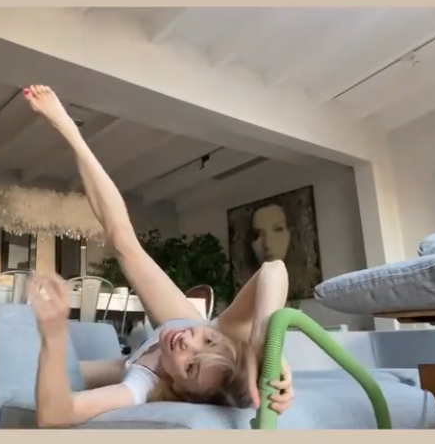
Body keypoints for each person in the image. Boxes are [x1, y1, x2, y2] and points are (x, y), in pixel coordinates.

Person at [22, 85, 293, 428]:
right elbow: (273, 270)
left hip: (136, 363)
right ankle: (69, 128)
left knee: (65, 370)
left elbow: (54, 416)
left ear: (178, 389)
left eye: (191, 366)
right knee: (124, 242)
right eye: (207, 340)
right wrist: (263, 342)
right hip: (177, 319)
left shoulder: (143, 385)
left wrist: (53, 334)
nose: (188, 342)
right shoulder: (222, 334)